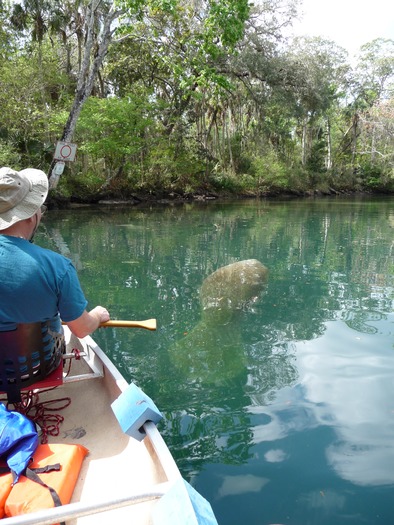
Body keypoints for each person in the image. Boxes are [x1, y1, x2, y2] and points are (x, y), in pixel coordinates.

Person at [0, 166, 110, 340]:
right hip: (37, 367)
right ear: (30, 214)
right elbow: (81, 329)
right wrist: (97, 316)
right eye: (39, 209)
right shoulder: (58, 267)